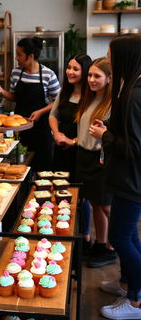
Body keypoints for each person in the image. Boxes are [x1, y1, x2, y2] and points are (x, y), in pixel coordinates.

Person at [89, 35, 141, 319]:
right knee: (129, 235)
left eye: (110, 55)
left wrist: (104, 135)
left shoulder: (134, 94)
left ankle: (136, 302)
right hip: (128, 180)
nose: (109, 60)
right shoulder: (132, 88)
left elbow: (134, 148)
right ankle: (127, 285)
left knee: (120, 238)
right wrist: (109, 125)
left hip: (132, 180)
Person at [75, 57, 117, 268]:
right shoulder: (89, 99)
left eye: (97, 76)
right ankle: (101, 243)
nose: (91, 79)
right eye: (90, 75)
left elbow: (113, 136)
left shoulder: (112, 105)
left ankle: (112, 247)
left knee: (107, 206)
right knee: (95, 204)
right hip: (84, 157)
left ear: (109, 79)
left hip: (100, 160)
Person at [49, 53, 92, 252]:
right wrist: (57, 134)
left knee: (82, 196)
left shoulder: (92, 95)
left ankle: (84, 237)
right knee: (60, 192)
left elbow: (92, 126)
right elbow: (53, 115)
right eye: (69, 67)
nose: (70, 72)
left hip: (80, 151)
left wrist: (72, 141)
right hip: (60, 149)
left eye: (75, 69)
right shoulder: (64, 91)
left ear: (85, 72)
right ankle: (62, 234)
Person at [0, 37, 60, 171]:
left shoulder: (48, 74)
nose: (16, 58)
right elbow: (15, 97)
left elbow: (58, 101)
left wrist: (41, 111)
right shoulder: (16, 73)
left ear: (30, 56)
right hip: (20, 128)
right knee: (19, 166)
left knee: (42, 166)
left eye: (19, 54)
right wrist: (1, 91)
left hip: (41, 129)